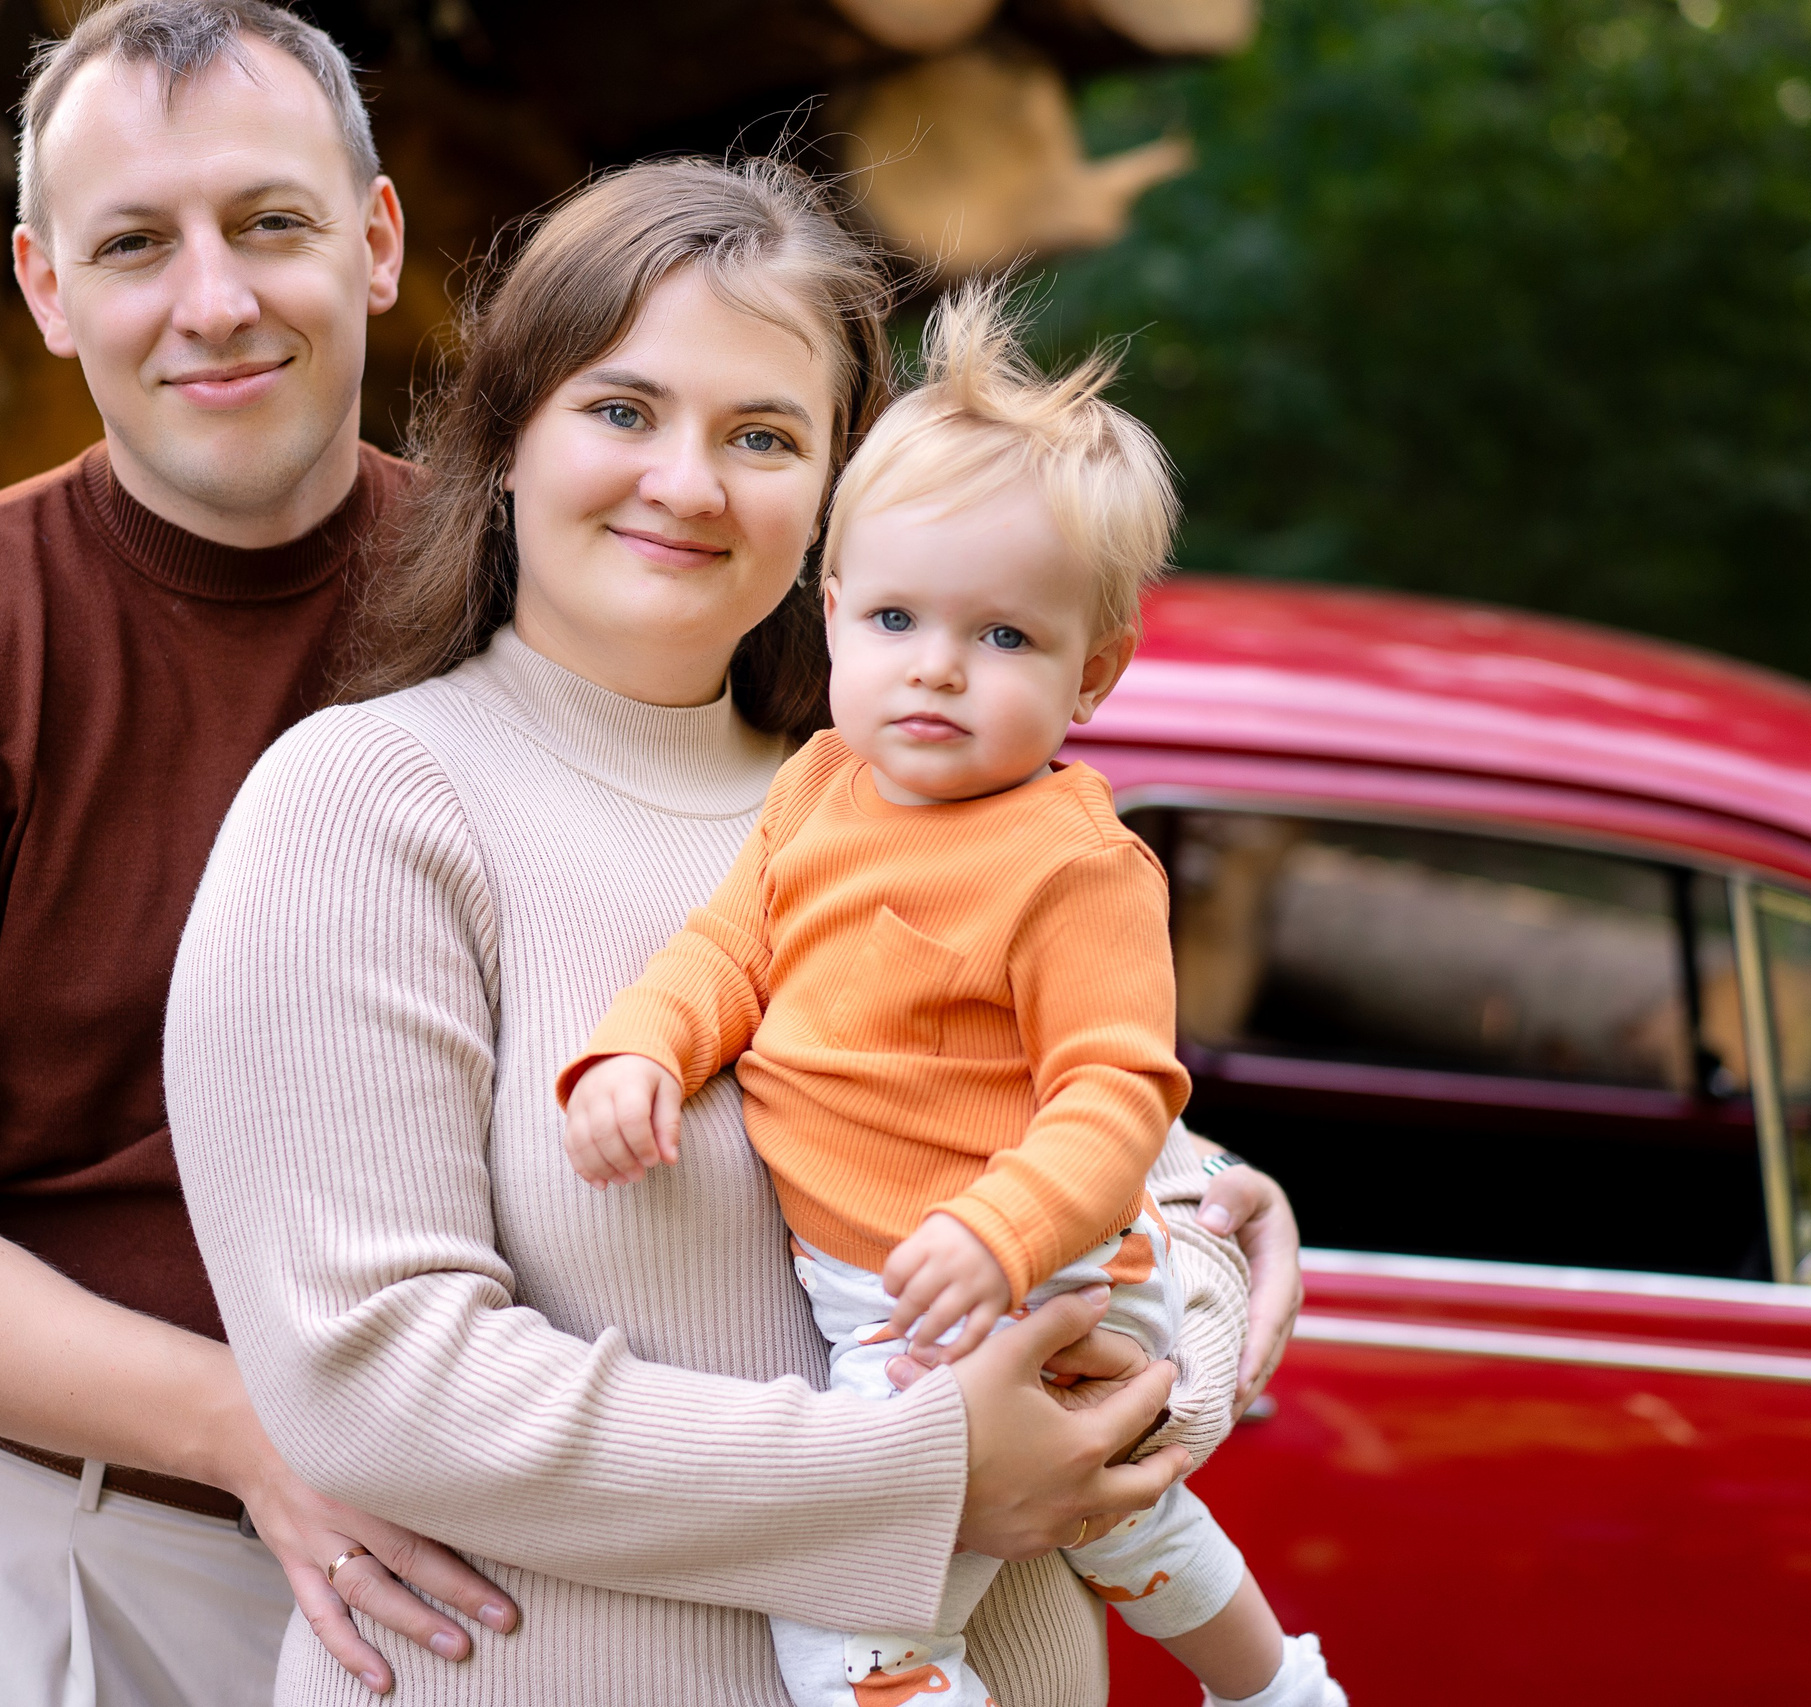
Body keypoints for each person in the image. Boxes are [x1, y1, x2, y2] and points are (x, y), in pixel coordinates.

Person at [165, 156, 1304, 1707]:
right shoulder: (364, 809)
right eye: (622, 410)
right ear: (505, 441)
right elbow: (378, 1377)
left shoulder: (888, 799)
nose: (688, 484)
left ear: (839, 493)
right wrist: (915, 1477)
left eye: (762, 435)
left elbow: (1063, 1139)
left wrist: (1221, 1220)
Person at [0, 4, 528, 1701]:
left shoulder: (531, 604)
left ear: (376, 244)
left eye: (271, 224)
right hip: (43, 1558)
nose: (214, 302)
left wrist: (1180, 1201)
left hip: (485, 1566)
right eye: (135, 244)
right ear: (44, 288)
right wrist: (247, 1432)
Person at [557, 282, 1344, 1707]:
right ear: (836, 609)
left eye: (1004, 640)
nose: (936, 669)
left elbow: (1116, 1094)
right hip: (897, 1292)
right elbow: (723, 955)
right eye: (902, 617)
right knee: (1129, 1525)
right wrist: (638, 1056)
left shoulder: (1075, 866)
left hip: (1017, 1290)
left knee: (851, 1625)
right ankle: (1278, 1691)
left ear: (1093, 672)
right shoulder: (817, 790)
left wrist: (1001, 1228)